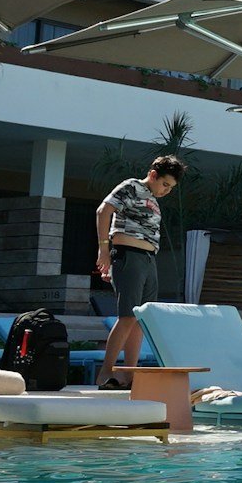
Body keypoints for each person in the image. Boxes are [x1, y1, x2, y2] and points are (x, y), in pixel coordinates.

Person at [95, 153, 185, 390]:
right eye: (164, 184)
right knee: (127, 316)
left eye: (171, 188)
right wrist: (104, 251)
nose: (166, 190)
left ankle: (129, 376)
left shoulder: (154, 200)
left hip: (148, 260)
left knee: (139, 320)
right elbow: (103, 211)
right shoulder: (131, 187)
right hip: (128, 256)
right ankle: (105, 373)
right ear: (153, 174)